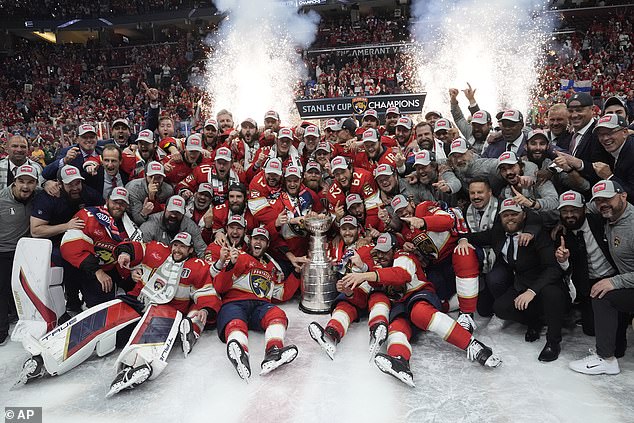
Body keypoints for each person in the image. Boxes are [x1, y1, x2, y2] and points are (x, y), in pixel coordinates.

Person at [340, 233, 501, 387]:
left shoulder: (404, 255)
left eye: (385, 252)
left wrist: (365, 275)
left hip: (419, 295)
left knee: (419, 313)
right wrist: (359, 273)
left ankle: (474, 345)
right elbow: (376, 285)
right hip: (401, 305)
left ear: (395, 249)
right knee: (396, 328)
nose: (381, 256)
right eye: (378, 253)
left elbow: (400, 275)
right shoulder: (379, 264)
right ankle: (400, 361)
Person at [459, 198, 566, 362]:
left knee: (551, 294)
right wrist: (464, 240)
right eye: (506, 215)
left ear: (523, 216)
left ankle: (553, 342)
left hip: (545, 283)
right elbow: (477, 237)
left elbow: (553, 268)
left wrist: (532, 291)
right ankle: (534, 321)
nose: (510, 218)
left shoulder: (536, 235)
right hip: (521, 283)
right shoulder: (498, 232)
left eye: (514, 214)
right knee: (500, 308)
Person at [212, 227, 299, 380]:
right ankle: (241, 353)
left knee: (277, 314)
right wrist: (230, 265)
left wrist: (297, 274)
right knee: (235, 320)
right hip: (236, 302)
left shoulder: (271, 268)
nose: (258, 242)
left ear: (267, 244)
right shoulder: (239, 256)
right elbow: (220, 287)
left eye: (262, 240)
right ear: (250, 241)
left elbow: (281, 294)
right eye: (255, 238)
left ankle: (274, 351)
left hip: (260, 306)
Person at [569, 180, 634, 375]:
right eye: (598, 201)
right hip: (628, 283)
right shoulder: (611, 215)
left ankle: (606, 359)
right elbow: (577, 209)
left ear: (623, 196)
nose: (602, 204)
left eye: (607, 199)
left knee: (602, 294)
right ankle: (614, 348)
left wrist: (615, 281)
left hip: (628, 281)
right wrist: (560, 224)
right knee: (604, 290)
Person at [309, 215, 389, 360]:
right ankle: (331, 335)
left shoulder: (367, 247)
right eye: (344, 229)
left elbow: (381, 272)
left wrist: (364, 267)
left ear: (358, 229)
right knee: (343, 304)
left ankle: (378, 329)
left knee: (378, 298)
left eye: (351, 229)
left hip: (372, 290)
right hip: (354, 295)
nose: (347, 232)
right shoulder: (335, 247)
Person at [31, 165, 104, 312]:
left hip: (85, 241)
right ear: (59, 183)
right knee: (66, 260)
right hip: (55, 243)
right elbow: (36, 230)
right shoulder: (47, 198)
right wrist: (66, 226)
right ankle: (69, 301)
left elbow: (105, 215)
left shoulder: (89, 194)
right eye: (69, 184)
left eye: (77, 182)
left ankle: (93, 298)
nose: (75, 187)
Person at [60, 188, 137, 307]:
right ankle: (72, 303)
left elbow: (133, 250)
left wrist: (131, 274)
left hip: (109, 269)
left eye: (122, 203)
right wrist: (97, 271)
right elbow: (69, 247)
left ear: (126, 206)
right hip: (86, 268)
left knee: (107, 305)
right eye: (115, 202)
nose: (118, 206)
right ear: (107, 200)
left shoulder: (130, 228)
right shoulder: (88, 215)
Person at [0, 164, 39, 345]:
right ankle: (1, 329)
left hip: (26, 250)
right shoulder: (2, 199)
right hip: (4, 251)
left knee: (31, 287)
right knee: (2, 289)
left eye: (30, 182)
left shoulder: (37, 195)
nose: (25, 186)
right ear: (14, 182)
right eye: (21, 181)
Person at [139, 195, 207, 257]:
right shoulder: (151, 223)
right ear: (165, 208)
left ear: (184, 212)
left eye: (178, 212)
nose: (173, 215)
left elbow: (202, 250)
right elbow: (141, 248)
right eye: (171, 211)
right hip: (155, 259)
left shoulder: (190, 226)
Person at [126, 161, 174, 226]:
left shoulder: (168, 190)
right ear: (145, 176)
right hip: (130, 219)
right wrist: (143, 213)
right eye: (152, 177)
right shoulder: (134, 189)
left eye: (159, 177)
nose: (156, 181)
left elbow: (167, 217)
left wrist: (152, 198)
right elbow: (137, 220)